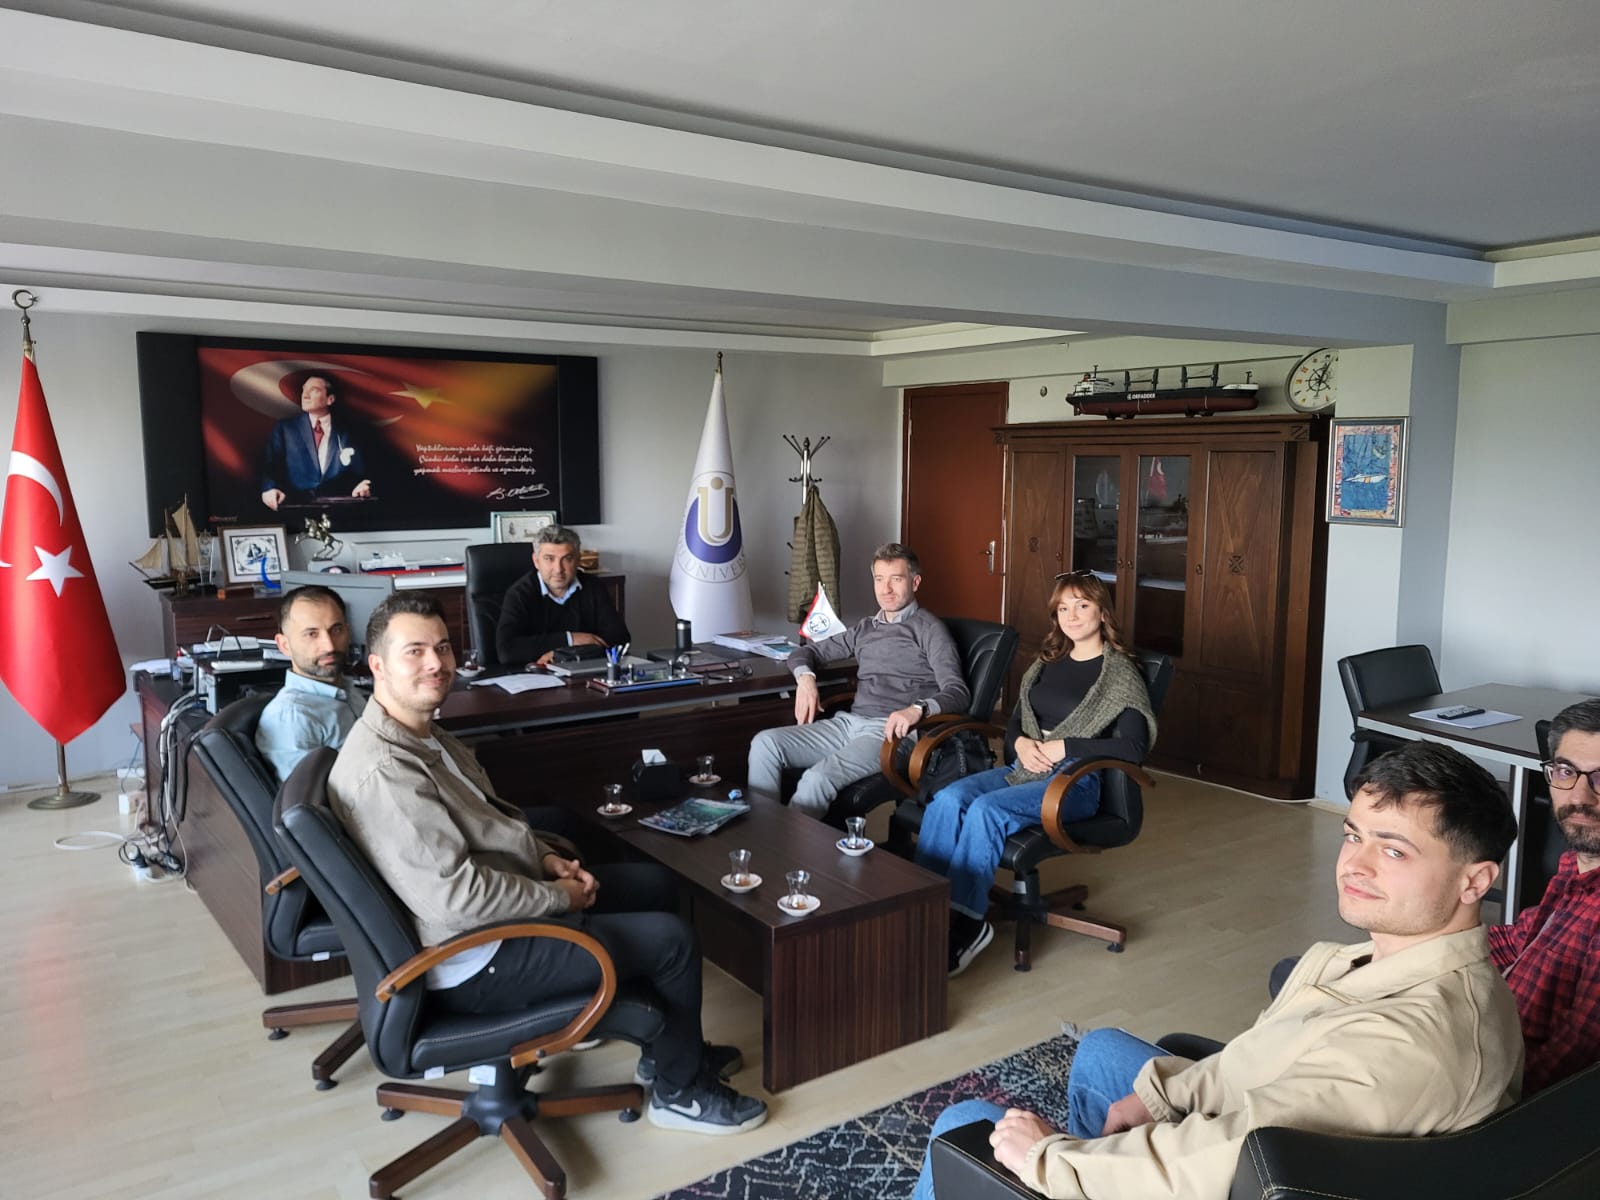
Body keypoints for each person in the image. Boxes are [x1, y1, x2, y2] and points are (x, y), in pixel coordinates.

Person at [913, 740, 1522, 1200]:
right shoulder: (1390, 961)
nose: (1354, 865)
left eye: (1393, 850)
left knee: (964, 1127)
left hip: (1240, 1179)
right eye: (1352, 835)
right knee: (1103, 1053)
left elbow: (1236, 1153)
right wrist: (1161, 1096)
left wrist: (1050, 1159)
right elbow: (1257, 1060)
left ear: (1475, 881)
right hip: (1259, 1148)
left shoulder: (1411, 1045)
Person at [329, 593, 764, 1134]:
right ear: (377, 665)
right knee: (672, 941)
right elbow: (456, 900)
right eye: (414, 651)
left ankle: (671, 1054)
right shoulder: (388, 773)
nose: (436, 663)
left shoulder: (422, 733)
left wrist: (548, 859)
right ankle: (681, 1094)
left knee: (655, 883)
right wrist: (560, 897)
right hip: (470, 956)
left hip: (488, 917)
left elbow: (491, 823)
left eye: (442, 647)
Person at [916, 570, 1154, 976]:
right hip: (1026, 765)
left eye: (1082, 605)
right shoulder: (1048, 661)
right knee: (948, 800)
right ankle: (923, 911)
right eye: (1063, 608)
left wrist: (1066, 747)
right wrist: (1023, 743)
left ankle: (968, 925)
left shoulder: (1119, 673)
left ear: (1102, 612)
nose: (1071, 616)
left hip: (1075, 781)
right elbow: (1016, 722)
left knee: (986, 812)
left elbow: (1133, 747)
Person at [747, 542, 969, 818]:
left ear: (915, 582)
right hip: (848, 724)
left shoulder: (930, 630)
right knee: (765, 744)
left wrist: (917, 709)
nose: (886, 589)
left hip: (889, 734)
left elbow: (957, 691)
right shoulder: (866, 628)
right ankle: (762, 833)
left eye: (896, 579)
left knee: (816, 780)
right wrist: (806, 678)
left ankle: (787, 846)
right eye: (880, 579)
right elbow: (805, 652)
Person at [1488, 697, 1600, 1093]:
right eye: (1566, 771)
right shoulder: (1578, 866)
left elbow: (1570, 1063)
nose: (1580, 797)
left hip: (1500, 1089)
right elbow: (1521, 940)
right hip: (1492, 1033)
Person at [255, 584, 366, 780]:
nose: (329, 646)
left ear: (348, 632)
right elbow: (306, 797)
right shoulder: (291, 717)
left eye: (336, 630)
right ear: (284, 645)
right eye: (311, 634)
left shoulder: (344, 689)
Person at [495, 523, 630, 667]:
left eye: (567, 559)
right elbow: (507, 650)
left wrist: (562, 654)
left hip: (584, 672)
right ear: (536, 561)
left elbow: (620, 639)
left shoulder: (594, 587)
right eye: (549, 559)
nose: (558, 569)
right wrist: (570, 639)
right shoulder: (519, 594)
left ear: (578, 560)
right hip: (537, 675)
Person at [260, 373, 372, 510]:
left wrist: (364, 484)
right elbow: (270, 466)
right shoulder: (285, 428)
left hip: (341, 506)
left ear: (330, 399)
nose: (305, 395)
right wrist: (270, 488)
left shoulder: (350, 430)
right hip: (296, 506)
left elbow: (363, 471)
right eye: (304, 390)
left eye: (314, 390)